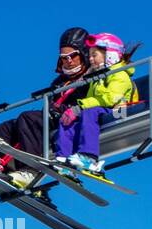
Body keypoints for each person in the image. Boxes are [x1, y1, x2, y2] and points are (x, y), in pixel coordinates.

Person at [0, 26, 91, 189]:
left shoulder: (92, 76)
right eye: (63, 57)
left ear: (83, 54)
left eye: (73, 55)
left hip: (74, 116)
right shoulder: (59, 82)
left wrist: (69, 109)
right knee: (7, 127)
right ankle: (12, 171)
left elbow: (92, 101)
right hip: (55, 115)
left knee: (28, 118)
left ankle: (31, 170)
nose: (68, 60)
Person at [55, 31, 138, 175]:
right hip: (100, 111)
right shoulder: (97, 78)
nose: (91, 59)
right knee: (67, 118)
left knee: (89, 111)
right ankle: (63, 160)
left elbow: (111, 98)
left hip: (120, 110)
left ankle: (89, 157)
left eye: (95, 55)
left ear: (110, 55)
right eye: (90, 55)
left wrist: (80, 106)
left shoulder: (119, 73)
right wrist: (74, 111)